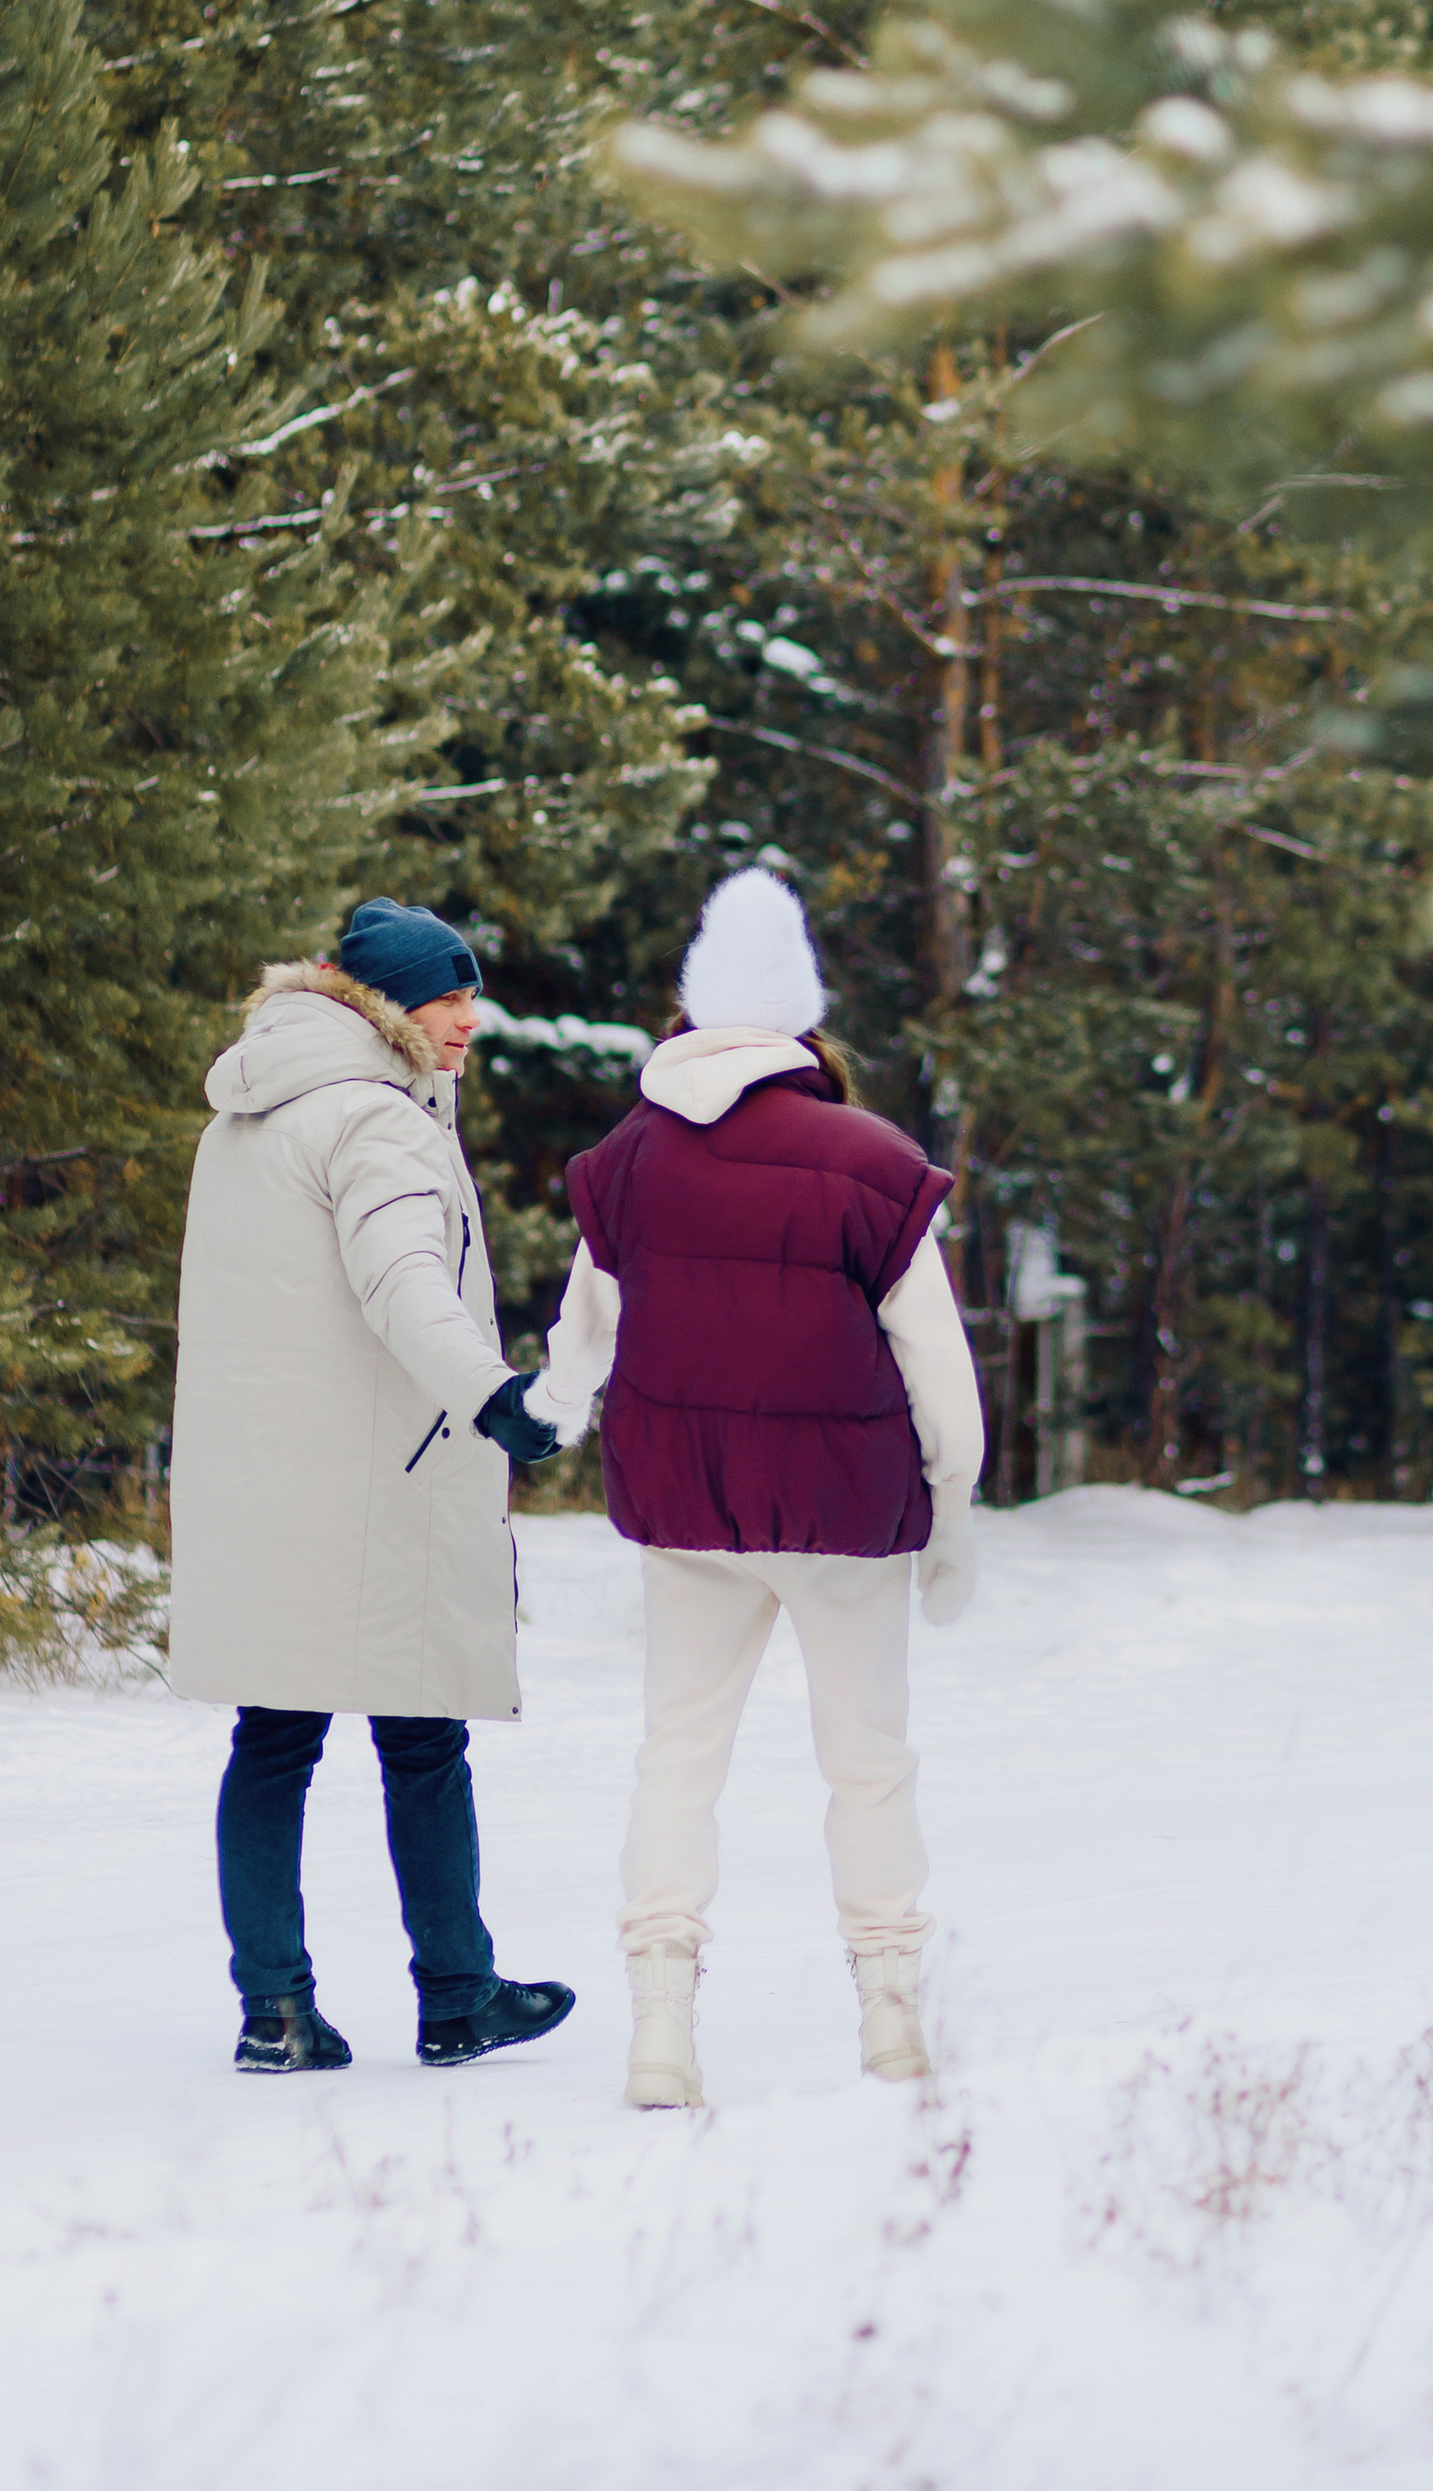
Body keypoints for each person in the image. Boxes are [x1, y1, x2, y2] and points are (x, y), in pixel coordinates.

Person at [527, 867, 983, 2109]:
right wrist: (950, 1506)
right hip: (847, 1512)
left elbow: (584, 1331)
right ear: (800, 1027)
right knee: (869, 1761)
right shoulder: (871, 1159)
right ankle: (892, 2017)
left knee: (677, 1754)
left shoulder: (626, 1161)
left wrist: (554, 1412)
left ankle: (659, 2033)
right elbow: (936, 1366)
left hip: (687, 1506)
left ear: (691, 1018)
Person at [169, 895, 578, 2075]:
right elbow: (405, 1281)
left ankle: (274, 2011)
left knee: (273, 1737)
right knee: (421, 1740)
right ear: (387, 1005)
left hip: (263, 1479)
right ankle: (456, 1995)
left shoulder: (249, 1112)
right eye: (449, 996)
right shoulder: (378, 1123)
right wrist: (494, 1396)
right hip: (372, 1486)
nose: (468, 1018)